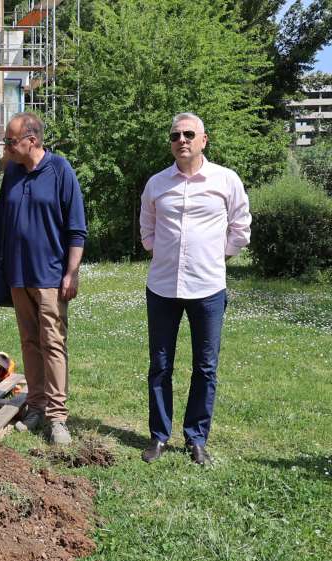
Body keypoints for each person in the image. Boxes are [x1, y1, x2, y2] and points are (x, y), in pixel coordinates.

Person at [139, 113, 251, 466]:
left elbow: (241, 227)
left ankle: (196, 438)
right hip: (162, 287)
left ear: (204, 139)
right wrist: (160, 252)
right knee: (160, 365)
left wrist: (216, 258)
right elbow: (147, 228)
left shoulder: (225, 180)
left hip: (208, 287)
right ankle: (159, 436)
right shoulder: (157, 183)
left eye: (189, 134)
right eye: (175, 135)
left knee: (205, 367)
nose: (182, 140)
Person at [0, 112, 86, 446]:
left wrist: (71, 272)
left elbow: (76, 228)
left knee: (53, 343)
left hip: (50, 277)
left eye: (10, 141)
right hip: (18, 276)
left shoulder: (60, 170)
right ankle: (36, 407)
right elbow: (1, 222)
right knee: (30, 343)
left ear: (32, 140)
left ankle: (57, 418)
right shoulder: (12, 172)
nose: (6, 147)